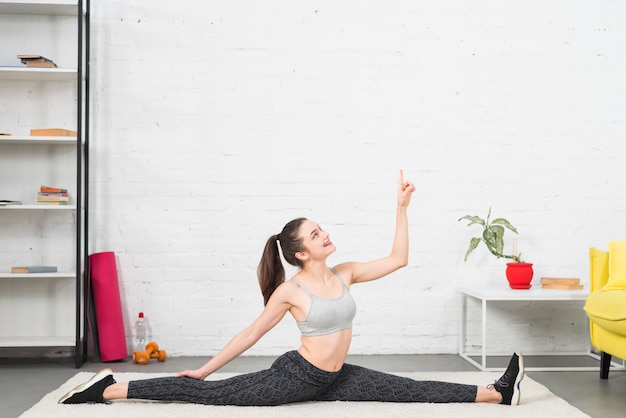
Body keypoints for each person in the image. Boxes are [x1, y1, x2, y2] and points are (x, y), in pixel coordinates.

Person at [59, 170, 524, 407]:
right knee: (216, 395)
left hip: (334, 375)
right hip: (296, 376)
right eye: (316, 234)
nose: (326, 235)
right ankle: (109, 389)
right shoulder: (291, 290)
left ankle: (497, 393)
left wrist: (400, 207)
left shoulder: (345, 272)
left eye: (323, 229)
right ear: (301, 253)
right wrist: (202, 370)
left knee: (406, 388)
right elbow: (249, 335)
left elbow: (398, 259)